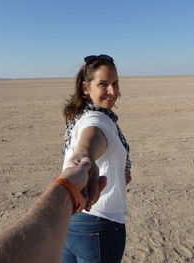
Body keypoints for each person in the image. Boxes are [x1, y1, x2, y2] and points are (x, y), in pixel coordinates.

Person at [0, 157, 107, 263]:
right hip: (98, 219)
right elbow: (87, 144)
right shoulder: (97, 118)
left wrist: (68, 189)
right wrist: (69, 187)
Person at [62, 54, 131, 263]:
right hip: (101, 224)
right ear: (86, 88)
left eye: (115, 83)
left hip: (70, 220)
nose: (113, 91)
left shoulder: (81, 117)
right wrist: (85, 157)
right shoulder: (96, 120)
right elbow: (89, 141)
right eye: (103, 84)